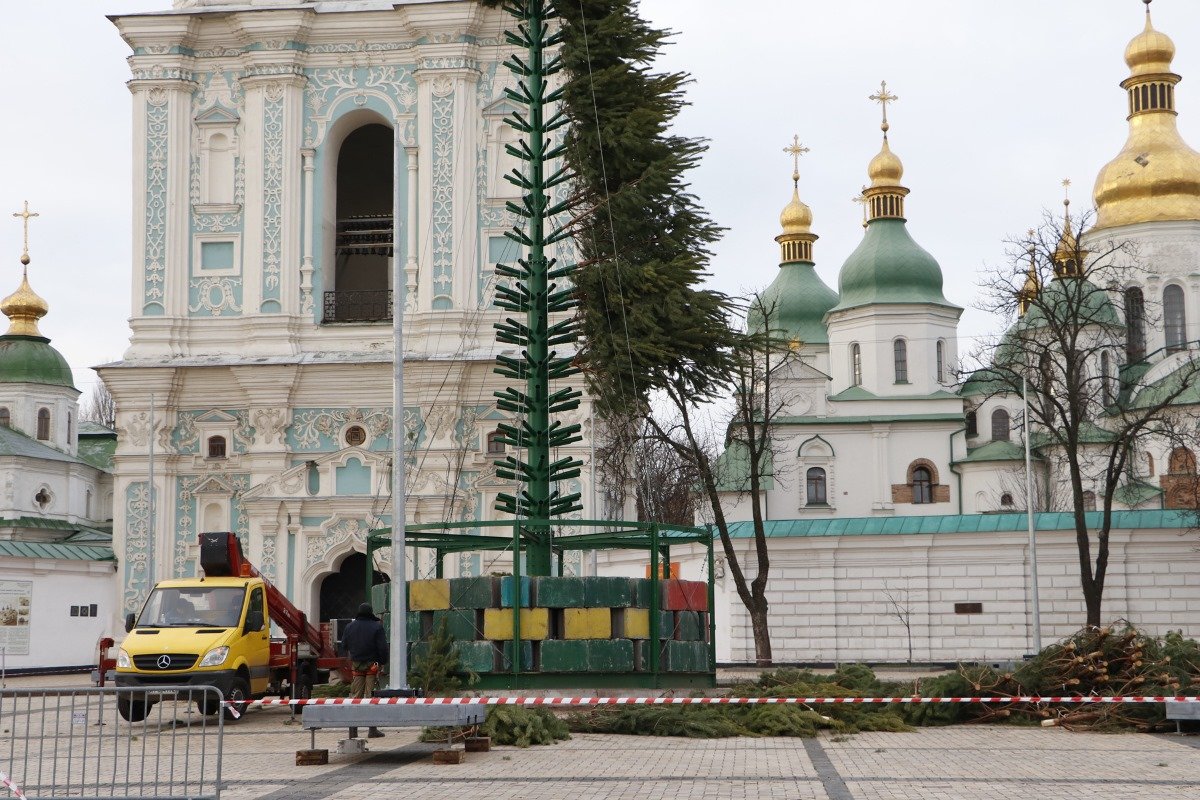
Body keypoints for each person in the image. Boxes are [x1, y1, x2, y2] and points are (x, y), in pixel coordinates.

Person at [339, 603, 388, 738]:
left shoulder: (349, 627)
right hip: (372, 665)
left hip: (357, 666)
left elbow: (343, 645)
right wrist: (383, 661)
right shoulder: (377, 627)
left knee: (356, 697)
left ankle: (353, 730)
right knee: (370, 697)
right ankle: (372, 729)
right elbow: (382, 648)